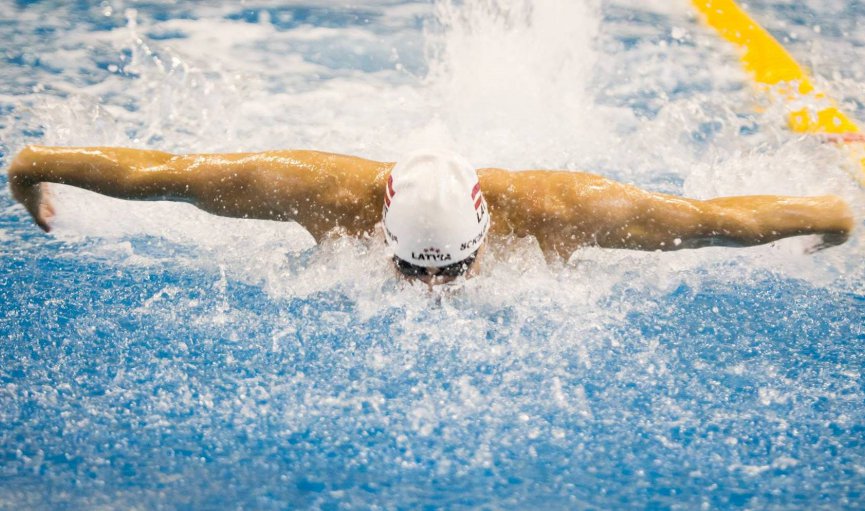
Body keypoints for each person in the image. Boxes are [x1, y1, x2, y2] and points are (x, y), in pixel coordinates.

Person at [7, 145, 854, 284]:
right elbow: (163, 175)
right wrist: (31, 171)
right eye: (416, 268)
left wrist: (831, 218)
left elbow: (713, 219)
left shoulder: (573, 211)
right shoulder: (304, 190)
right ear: (378, 229)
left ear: (487, 235)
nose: (432, 287)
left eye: (448, 268)